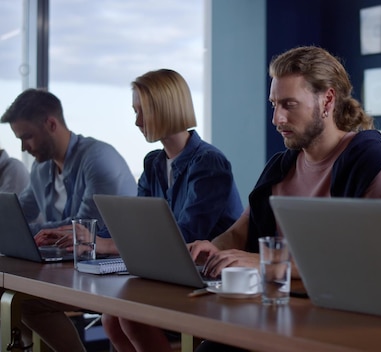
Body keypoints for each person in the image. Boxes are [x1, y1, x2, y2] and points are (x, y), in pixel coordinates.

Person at [188, 45, 381, 279]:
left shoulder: (368, 161)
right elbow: (239, 233)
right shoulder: (280, 168)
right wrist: (213, 249)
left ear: (327, 100)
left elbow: (372, 261)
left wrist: (269, 264)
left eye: (289, 105)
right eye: (274, 104)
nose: (276, 119)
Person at [101, 69, 244, 352]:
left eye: (143, 112)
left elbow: (185, 236)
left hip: (208, 278)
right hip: (170, 276)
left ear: (166, 109)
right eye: (135, 112)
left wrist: (105, 245)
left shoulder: (209, 162)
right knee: (110, 319)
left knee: (130, 318)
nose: (137, 122)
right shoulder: (153, 163)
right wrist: (91, 237)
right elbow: (137, 224)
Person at [0, 89, 137, 351]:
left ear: (51, 124)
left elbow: (82, 227)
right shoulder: (41, 168)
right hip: (70, 271)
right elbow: (20, 211)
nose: (22, 148)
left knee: (25, 301)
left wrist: (23, 232)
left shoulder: (98, 159)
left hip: (112, 272)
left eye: (27, 137)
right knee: (14, 297)